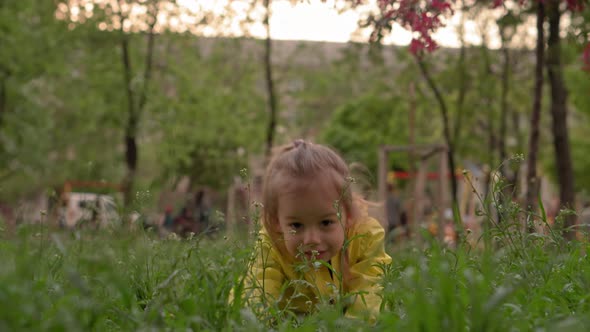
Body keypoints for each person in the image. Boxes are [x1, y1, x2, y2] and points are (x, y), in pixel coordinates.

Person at [242, 139, 392, 321]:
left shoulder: (365, 235)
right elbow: (258, 289)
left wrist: (354, 326)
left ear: (349, 215)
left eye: (326, 222)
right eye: (296, 225)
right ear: (276, 222)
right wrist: (257, 322)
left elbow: (370, 289)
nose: (312, 239)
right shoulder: (271, 242)